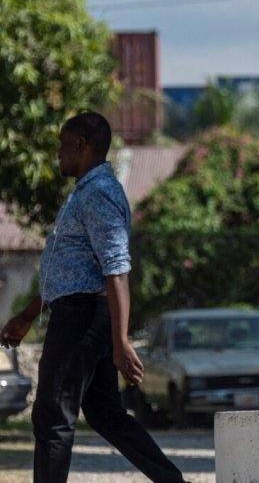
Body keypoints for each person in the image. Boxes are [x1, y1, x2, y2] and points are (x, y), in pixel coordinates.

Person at [0, 111, 185, 483]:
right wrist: (27, 315)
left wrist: (120, 341)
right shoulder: (85, 192)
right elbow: (69, 271)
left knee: (52, 416)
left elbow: (116, 267)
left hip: (83, 317)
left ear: (81, 145)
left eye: (62, 145)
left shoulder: (99, 194)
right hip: (82, 311)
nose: (57, 153)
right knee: (105, 414)